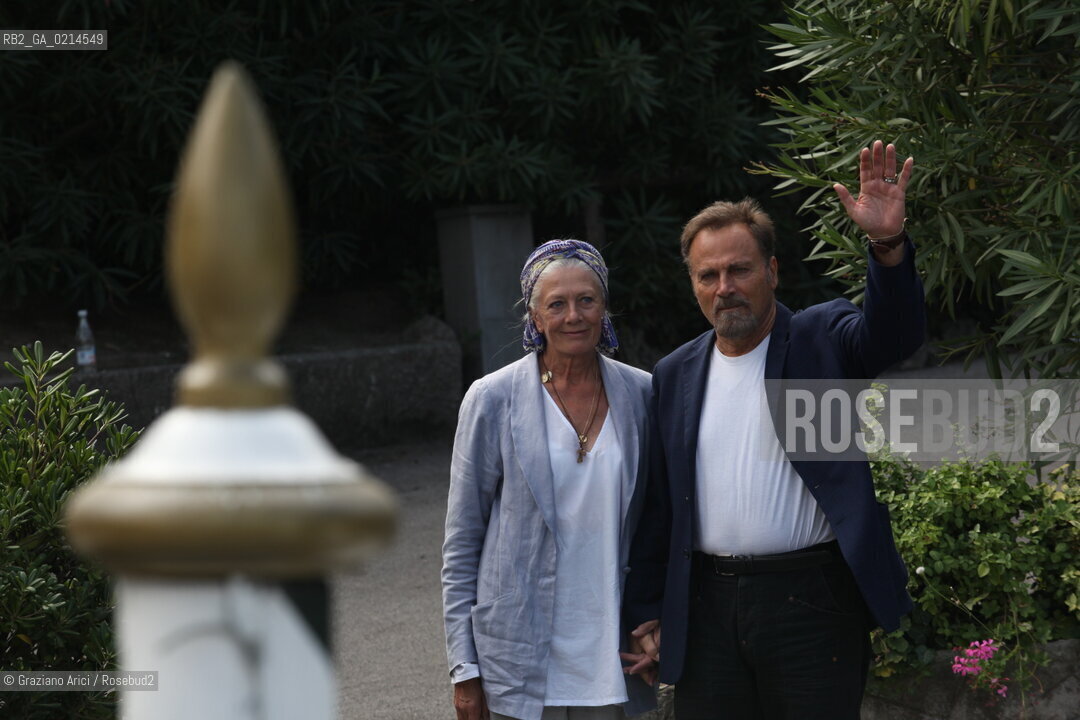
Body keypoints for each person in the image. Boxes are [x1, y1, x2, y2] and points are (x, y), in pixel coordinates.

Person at [621, 140, 926, 718]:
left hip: (812, 603)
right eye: (707, 275)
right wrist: (645, 610)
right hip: (707, 609)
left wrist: (887, 245)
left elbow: (895, 335)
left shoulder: (821, 339)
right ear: (692, 284)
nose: (724, 287)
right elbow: (661, 507)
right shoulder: (674, 374)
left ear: (773, 271)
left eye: (739, 269)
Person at [442, 239, 656, 720]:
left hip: (612, 658)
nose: (573, 315)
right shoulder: (493, 399)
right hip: (518, 659)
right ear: (535, 318)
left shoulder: (642, 393)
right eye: (556, 304)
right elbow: (461, 544)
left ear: (604, 309)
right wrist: (464, 668)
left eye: (586, 300)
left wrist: (656, 617)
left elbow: (659, 523)